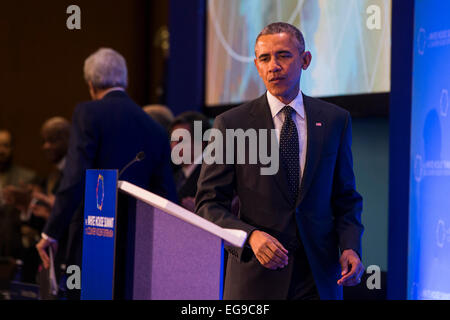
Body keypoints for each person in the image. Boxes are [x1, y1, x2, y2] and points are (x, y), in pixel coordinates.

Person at [195, 22, 364, 300]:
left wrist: (350, 246)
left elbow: (345, 197)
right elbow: (208, 204)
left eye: (284, 55)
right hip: (255, 279)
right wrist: (250, 237)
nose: (274, 65)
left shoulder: (335, 120)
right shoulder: (231, 124)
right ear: (257, 65)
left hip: (319, 279)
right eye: (265, 58)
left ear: (305, 60)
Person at [35, 48, 177, 299]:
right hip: (139, 249)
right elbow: (166, 195)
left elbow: (76, 177)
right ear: (125, 81)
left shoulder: (87, 113)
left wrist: (51, 231)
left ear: (91, 84)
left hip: (92, 242)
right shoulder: (155, 128)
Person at [0, 129, 37, 259]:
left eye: (5, 145)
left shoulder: (26, 178)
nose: (1, 151)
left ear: (12, 148)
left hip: (15, 248)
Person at [169, 111, 211, 211]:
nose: (174, 146)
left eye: (180, 141)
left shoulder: (211, 174)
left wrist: (199, 211)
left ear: (201, 143)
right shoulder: (175, 174)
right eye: (172, 140)